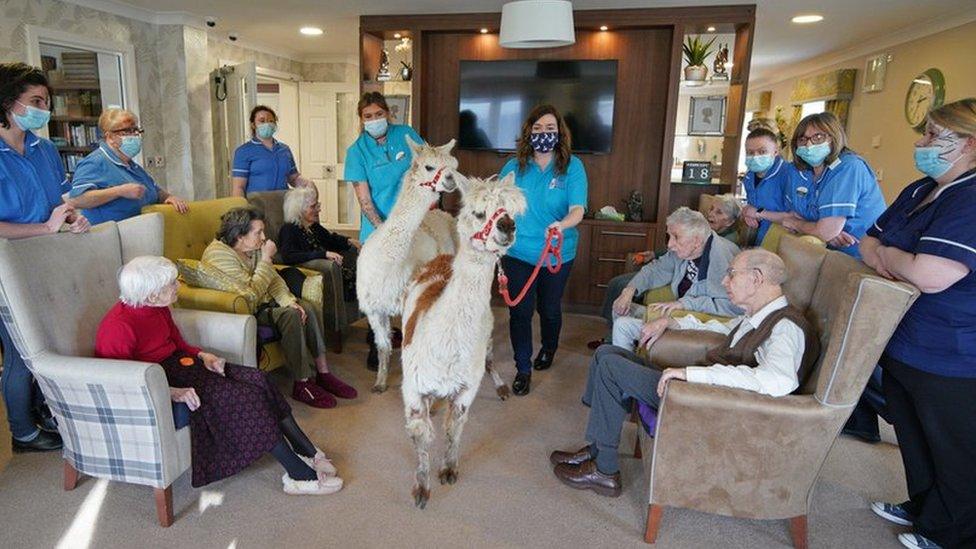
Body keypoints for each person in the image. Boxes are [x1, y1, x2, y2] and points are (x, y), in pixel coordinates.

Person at [550, 249, 819, 496]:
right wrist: (670, 321)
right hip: (699, 390)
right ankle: (598, 448)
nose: (725, 281)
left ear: (757, 278)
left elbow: (778, 381)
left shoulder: (786, 328)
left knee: (611, 367)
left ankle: (605, 470)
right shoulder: (757, 317)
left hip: (705, 401)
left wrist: (691, 374)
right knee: (606, 353)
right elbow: (718, 328)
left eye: (731, 274)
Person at [95, 256, 342, 494]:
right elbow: (122, 384)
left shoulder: (156, 306)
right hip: (159, 381)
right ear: (150, 295)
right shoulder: (118, 327)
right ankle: (298, 475)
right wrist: (172, 393)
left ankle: (305, 449)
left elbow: (178, 344)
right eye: (171, 284)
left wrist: (204, 355)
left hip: (182, 365)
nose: (177, 286)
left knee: (260, 379)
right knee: (246, 399)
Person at [861, 99, 976, 549]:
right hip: (902, 339)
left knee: (953, 447)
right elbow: (868, 242)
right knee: (912, 434)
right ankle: (924, 507)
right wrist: (897, 259)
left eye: (933, 136)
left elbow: (932, 275)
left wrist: (892, 258)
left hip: (951, 351)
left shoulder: (969, 199)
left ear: (967, 144)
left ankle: (954, 534)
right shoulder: (918, 189)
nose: (922, 144)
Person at [0, 62, 90, 453]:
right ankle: (22, 431)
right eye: (35, 101)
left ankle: (46, 411)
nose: (43, 109)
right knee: (21, 352)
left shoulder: (45, 147)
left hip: (45, 260)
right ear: (7, 103)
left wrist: (72, 217)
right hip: (7, 263)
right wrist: (46, 228)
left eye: (46, 101)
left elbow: (58, 202)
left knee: (50, 342)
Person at [201, 207, 356, 408]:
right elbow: (251, 294)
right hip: (244, 312)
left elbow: (273, 280)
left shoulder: (251, 247)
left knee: (305, 307)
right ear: (239, 236)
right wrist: (266, 259)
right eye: (258, 233)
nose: (264, 237)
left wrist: (290, 301)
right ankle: (302, 383)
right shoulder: (218, 255)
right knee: (290, 316)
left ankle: (323, 373)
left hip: (264, 303)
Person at [498, 104, 588, 396]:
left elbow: (577, 210)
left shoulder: (572, 167)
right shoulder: (513, 167)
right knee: (520, 313)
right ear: (528, 134)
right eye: (537, 129)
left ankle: (549, 349)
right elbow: (498, 204)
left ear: (560, 133)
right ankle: (522, 368)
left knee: (548, 309)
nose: (544, 134)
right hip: (519, 253)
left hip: (556, 253)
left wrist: (561, 225)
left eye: (550, 129)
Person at [587, 202, 742, 350]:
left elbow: (732, 307)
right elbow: (656, 269)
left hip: (699, 321)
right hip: (680, 313)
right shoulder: (686, 250)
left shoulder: (721, 259)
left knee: (623, 325)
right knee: (620, 307)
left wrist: (685, 303)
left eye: (676, 237)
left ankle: (627, 363)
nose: (670, 245)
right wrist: (630, 290)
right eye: (669, 236)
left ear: (696, 241)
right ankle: (631, 356)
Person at [754, 112, 886, 258]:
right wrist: (822, 230)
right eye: (803, 139)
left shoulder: (848, 167)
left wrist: (800, 225)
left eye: (818, 137)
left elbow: (818, 228)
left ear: (834, 138)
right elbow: (804, 218)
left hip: (857, 257)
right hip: (826, 248)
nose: (809, 144)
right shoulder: (806, 172)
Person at [67, 108, 189, 224]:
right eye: (128, 131)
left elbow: (154, 191)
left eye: (136, 130)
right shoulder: (95, 162)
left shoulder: (132, 166)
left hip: (139, 236)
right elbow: (77, 199)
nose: (135, 135)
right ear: (110, 137)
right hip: (109, 238)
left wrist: (169, 197)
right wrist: (119, 191)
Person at [343, 91, 424, 243]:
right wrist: (383, 231)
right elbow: (365, 201)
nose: (374, 119)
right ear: (361, 119)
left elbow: (427, 166)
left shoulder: (406, 134)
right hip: (377, 226)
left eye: (379, 114)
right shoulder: (356, 152)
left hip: (412, 221)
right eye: (368, 116)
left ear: (387, 113)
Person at [278, 186, 360, 302]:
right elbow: (288, 256)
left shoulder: (313, 227)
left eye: (317, 205)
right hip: (315, 272)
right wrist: (324, 254)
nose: (318, 210)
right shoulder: (289, 229)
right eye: (313, 207)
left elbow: (331, 239)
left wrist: (348, 240)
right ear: (299, 210)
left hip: (337, 269)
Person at [231, 105, 311, 197]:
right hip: (256, 205)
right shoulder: (244, 151)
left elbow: (293, 178)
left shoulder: (284, 150)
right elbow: (239, 187)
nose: (267, 124)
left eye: (271, 121)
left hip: (283, 203)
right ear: (253, 125)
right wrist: (241, 208)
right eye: (262, 121)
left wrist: (307, 183)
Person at [739, 127, 793, 244]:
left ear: (775, 152)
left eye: (762, 152)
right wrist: (748, 213)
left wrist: (758, 213)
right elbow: (753, 206)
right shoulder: (749, 177)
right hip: (757, 239)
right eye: (750, 152)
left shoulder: (790, 175)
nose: (755, 156)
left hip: (783, 241)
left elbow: (795, 218)